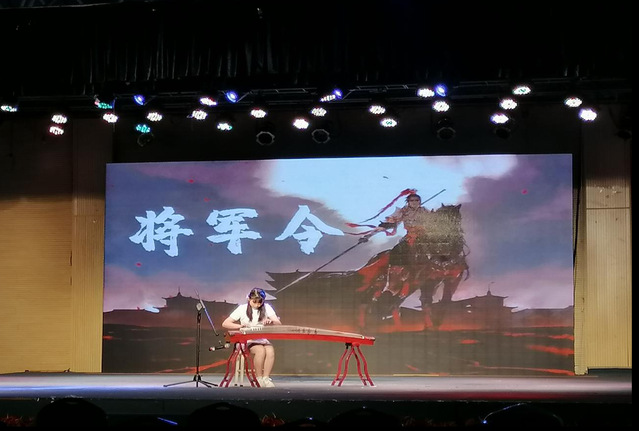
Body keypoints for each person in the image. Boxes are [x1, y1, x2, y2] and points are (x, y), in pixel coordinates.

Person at [222, 287, 281, 388]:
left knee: (270, 351)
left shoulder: (267, 307)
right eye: (254, 302)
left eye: (260, 302)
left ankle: (266, 378)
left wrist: (271, 321)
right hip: (246, 339)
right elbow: (225, 323)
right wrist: (240, 326)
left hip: (261, 338)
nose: (257, 304)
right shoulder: (242, 308)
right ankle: (258, 378)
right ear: (249, 299)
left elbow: (278, 323)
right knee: (260, 350)